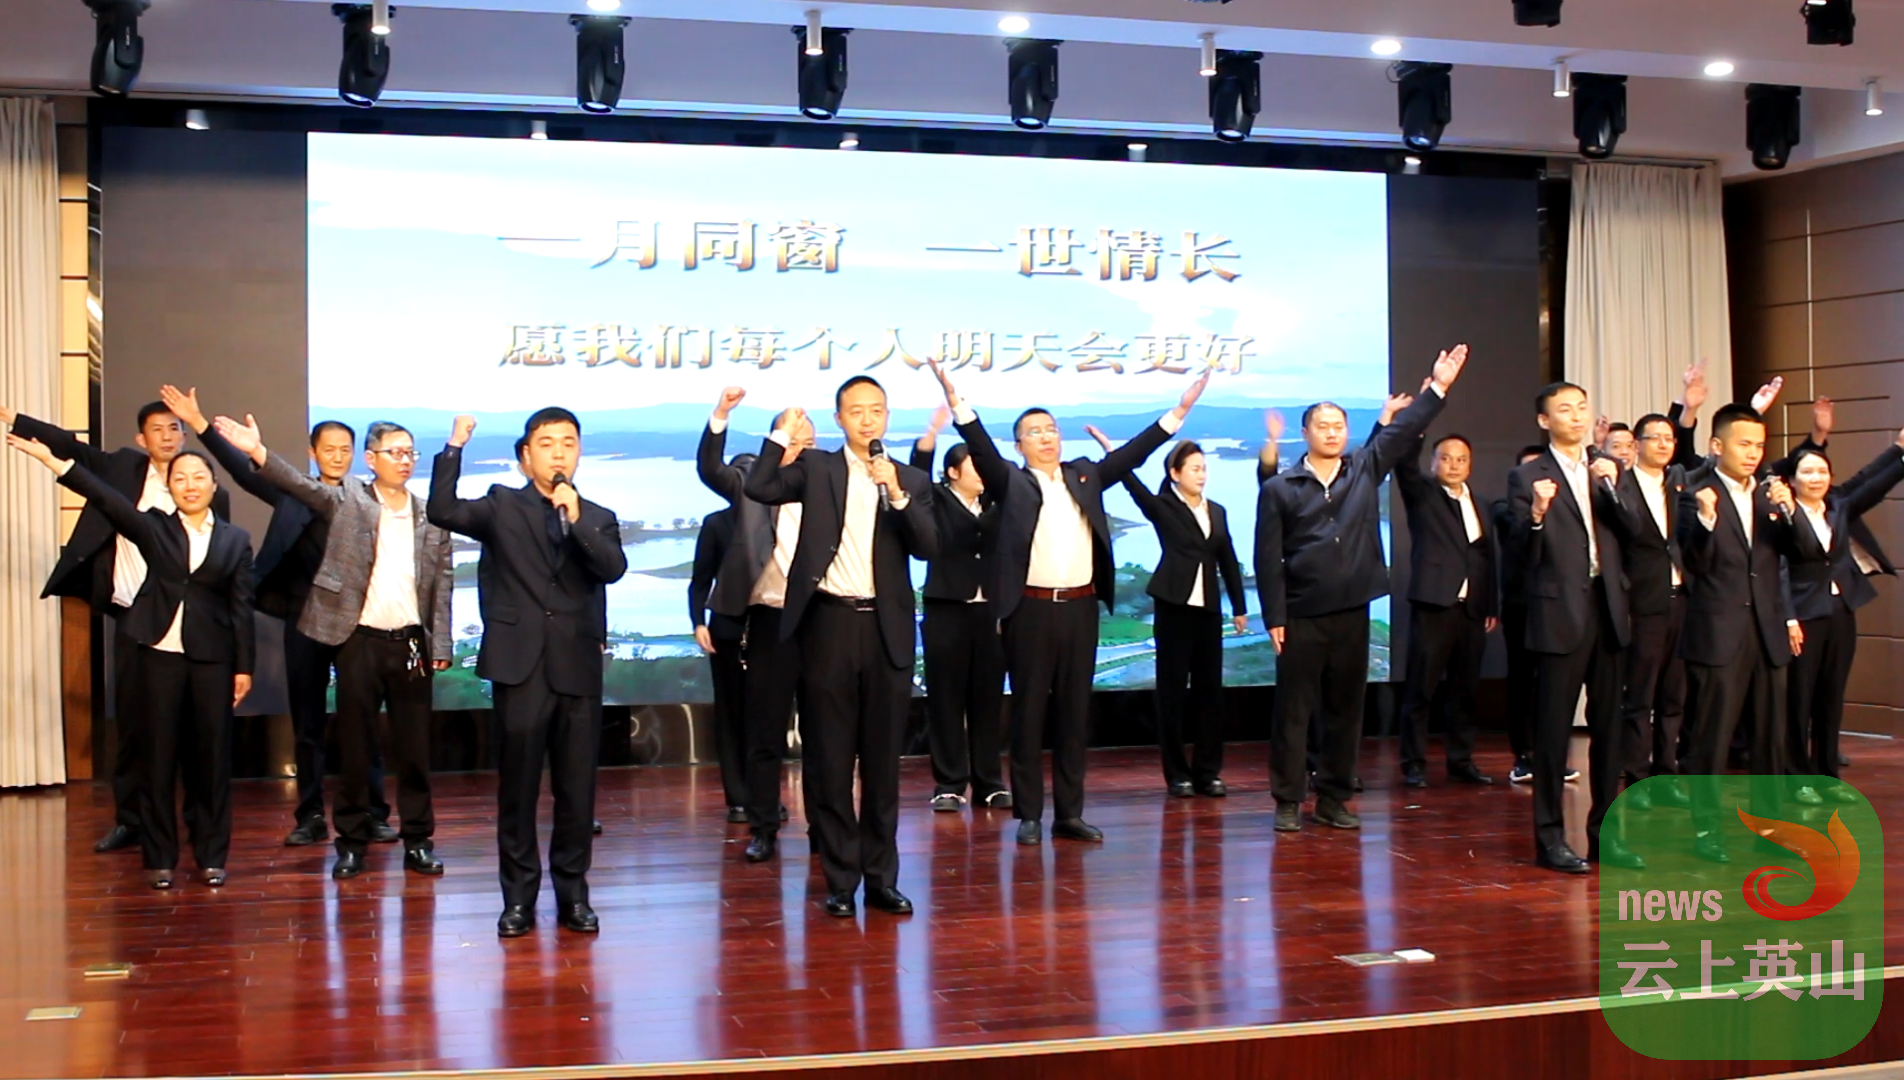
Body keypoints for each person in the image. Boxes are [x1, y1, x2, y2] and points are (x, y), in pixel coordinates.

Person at [928, 359, 1210, 846]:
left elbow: (1134, 455)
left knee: (1075, 714)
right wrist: (957, 402)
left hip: (1080, 608)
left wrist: (1178, 412)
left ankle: (1070, 814)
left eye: (1052, 429)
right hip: (1030, 610)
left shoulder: (1084, 476)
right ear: (1019, 446)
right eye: (1034, 432)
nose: (1046, 437)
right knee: (1029, 713)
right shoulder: (1012, 482)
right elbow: (981, 449)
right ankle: (1029, 814)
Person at [212, 413, 455, 880]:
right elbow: (300, 486)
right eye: (395, 452)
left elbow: (441, 584)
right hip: (358, 641)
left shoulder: (430, 516)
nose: (404, 461)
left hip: (410, 644)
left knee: (414, 752)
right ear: (372, 460)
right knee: (356, 748)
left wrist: (439, 641)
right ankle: (352, 843)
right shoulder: (349, 501)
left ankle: (419, 842)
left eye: (410, 453)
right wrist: (257, 451)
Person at [9, 433, 252, 888]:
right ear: (170, 487)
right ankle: (159, 858)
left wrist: (244, 667)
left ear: (214, 485)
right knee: (157, 759)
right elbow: (105, 497)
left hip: (212, 660)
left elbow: (241, 607)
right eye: (180, 478)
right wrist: (53, 461)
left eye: (198, 477)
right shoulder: (155, 526)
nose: (190, 485)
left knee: (211, 761)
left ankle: (211, 855)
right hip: (157, 655)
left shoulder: (236, 539)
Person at [159, 386, 397, 848]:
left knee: (362, 721)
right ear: (313, 452)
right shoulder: (294, 492)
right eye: (329, 449)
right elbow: (239, 469)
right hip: (303, 620)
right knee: (308, 724)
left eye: (345, 450)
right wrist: (201, 423)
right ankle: (309, 816)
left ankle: (372, 813)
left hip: (356, 624)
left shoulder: (366, 499)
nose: (337, 457)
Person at [743, 376, 939, 917]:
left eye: (876, 410)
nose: (867, 419)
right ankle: (840, 879)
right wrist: (779, 436)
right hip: (827, 623)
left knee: (881, 765)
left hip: (886, 630)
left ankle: (881, 879)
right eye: (856, 411)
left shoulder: (910, 478)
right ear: (839, 419)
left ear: (887, 416)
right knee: (829, 761)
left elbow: (929, 546)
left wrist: (896, 494)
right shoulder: (817, 468)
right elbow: (760, 487)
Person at [428, 408, 628, 937]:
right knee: (517, 791)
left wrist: (577, 518)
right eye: (546, 443)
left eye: (568, 443)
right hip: (520, 666)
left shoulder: (598, 516)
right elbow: (442, 509)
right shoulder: (501, 505)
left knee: (577, 791)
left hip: (577, 666)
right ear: (525, 456)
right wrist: (454, 448)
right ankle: (517, 899)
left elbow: (611, 568)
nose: (559, 452)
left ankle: (573, 896)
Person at [1256, 345, 1470, 833]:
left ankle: (1334, 797)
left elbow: (1401, 431)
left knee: (1345, 711)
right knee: (1293, 713)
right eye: (1323, 426)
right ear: (1305, 433)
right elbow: (1267, 558)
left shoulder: (1364, 468)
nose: (1332, 433)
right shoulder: (1280, 488)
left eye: (1339, 426)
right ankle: (1288, 799)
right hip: (1301, 614)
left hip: (1352, 610)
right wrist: (1275, 617)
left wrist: (1438, 387)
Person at [1507, 380, 1644, 874]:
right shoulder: (1528, 476)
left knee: (1609, 731)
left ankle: (1606, 834)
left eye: (1582, 407)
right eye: (1565, 409)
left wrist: (1614, 488)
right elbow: (1520, 551)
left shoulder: (1607, 468)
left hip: (1607, 611)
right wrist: (1538, 514)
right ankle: (1550, 839)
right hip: (1558, 614)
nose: (1577, 416)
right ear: (1545, 420)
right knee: (1553, 733)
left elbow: (1636, 532)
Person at [1679, 403, 1802, 863]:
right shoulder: (1696, 493)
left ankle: (1770, 830)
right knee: (1711, 740)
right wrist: (1707, 519)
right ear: (1717, 445)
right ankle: (1707, 830)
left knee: (1770, 739)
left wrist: (1791, 511)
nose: (1753, 453)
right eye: (1743, 444)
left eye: (1759, 445)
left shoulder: (1771, 496)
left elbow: (1804, 554)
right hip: (1718, 633)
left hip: (1767, 633)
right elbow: (1693, 562)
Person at [1098, 435, 1247, 797]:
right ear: (1175, 473)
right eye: (1194, 469)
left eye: (1204, 468)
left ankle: (1208, 772)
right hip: (1173, 608)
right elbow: (1135, 490)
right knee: (1172, 694)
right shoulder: (1164, 506)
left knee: (1210, 693)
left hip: (1209, 610)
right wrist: (1114, 454)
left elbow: (1228, 558)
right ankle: (1178, 774)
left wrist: (1240, 607)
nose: (1202, 474)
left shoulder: (1217, 511)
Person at [699, 387, 807, 850]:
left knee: (825, 728)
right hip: (767, 618)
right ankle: (762, 827)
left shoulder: (824, 484)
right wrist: (721, 414)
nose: (800, 448)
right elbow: (710, 468)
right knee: (764, 729)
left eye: (807, 441)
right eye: (792, 439)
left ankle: (825, 828)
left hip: (817, 618)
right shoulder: (750, 487)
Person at [1778, 427, 1904, 803]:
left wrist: (1900, 454)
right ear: (1792, 480)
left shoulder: (1838, 507)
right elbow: (1778, 571)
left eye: (1822, 471)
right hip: (1802, 616)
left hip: (1839, 610)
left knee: (1831, 696)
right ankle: (1797, 778)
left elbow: (1872, 486)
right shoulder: (1782, 514)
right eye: (1807, 472)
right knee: (1799, 699)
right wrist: (1788, 618)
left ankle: (1827, 776)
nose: (1816, 478)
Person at [911, 407, 1009, 813]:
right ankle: (950, 784)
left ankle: (990, 783)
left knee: (988, 700)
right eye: (973, 466)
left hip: (990, 614)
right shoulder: (935, 498)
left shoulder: (997, 502)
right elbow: (916, 477)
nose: (982, 473)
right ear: (952, 472)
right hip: (947, 610)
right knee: (946, 700)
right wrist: (930, 436)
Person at [1392, 430, 1497, 788]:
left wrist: (1490, 604)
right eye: (1446, 458)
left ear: (1470, 465)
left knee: (1465, 691)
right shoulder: (1423, 494)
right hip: (1434, 606)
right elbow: (1405, 466)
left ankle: (1461, 760)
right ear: (1434, 462)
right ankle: (1413, 763)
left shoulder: (1481, 503)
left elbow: (1487, 557)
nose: (1454, 465)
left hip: (1473, 610)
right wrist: (1416, 426)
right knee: (1421, 689)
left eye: (1461, 459)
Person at [1613, 413, 1692, 810]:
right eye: (1655, 438)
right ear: (1637, 444)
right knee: (1640, 695)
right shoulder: (1620, 486)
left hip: (1683, 600)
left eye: (1669, 438)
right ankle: (1636, 775)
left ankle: (1666, 772)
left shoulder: (1680, 483)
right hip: (1642, 602)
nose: (1663, 444)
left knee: (1674, 695)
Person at [687, 506, 749, 817]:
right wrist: (698, 621)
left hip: (772, 630)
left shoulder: (778, 517)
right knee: (730, 713)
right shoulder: (717, 523)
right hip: (727, 630)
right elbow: (701, 578)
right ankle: (738, 797)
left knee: (767, 717)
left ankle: (764, 794)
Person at [1491, 445, 1547, 785]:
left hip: (1557, 607)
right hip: (1521, 606)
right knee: (1523, 680)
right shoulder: (1505, 510)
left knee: (1552, 684)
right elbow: (1516, 534)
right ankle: (1523, 755)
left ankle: (1550, 755)